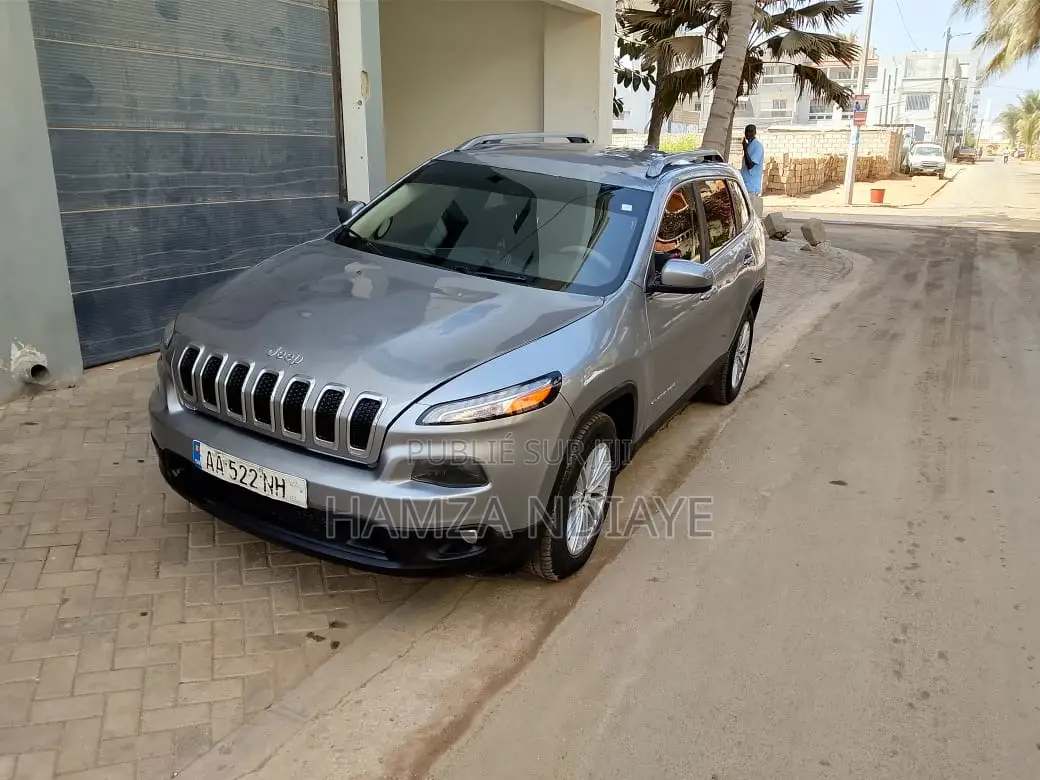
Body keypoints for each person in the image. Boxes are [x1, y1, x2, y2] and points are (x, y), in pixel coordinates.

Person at [740, 124, 765, 215]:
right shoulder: (750, 145)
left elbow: (750, 165)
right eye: (746, 131)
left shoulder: (757, 146)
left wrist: (745, 149)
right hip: (745, 185)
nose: (748, 134)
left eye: (750, 131)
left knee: (750, 215)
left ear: (755, 133)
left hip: (751, 187)